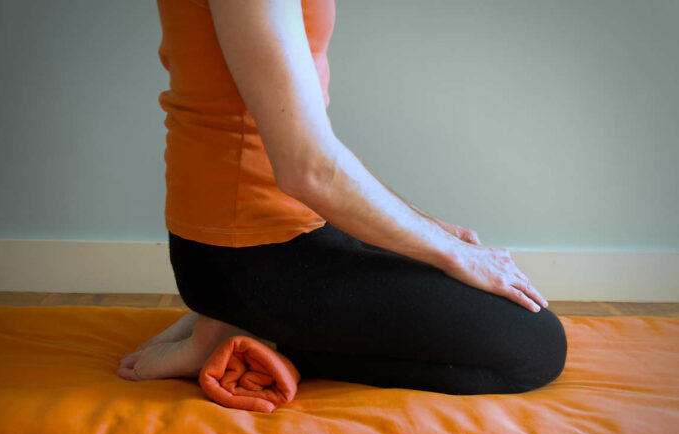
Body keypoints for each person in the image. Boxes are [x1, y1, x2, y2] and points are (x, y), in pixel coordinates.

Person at [117, 0, 567, 395]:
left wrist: (434, 231)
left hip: (292, 228)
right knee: (534, 349)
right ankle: (249, 332)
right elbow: (309, 168)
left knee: (502, 312)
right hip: (249, 256)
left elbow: (316, 152)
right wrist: (448, 252)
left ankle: (234, 320)